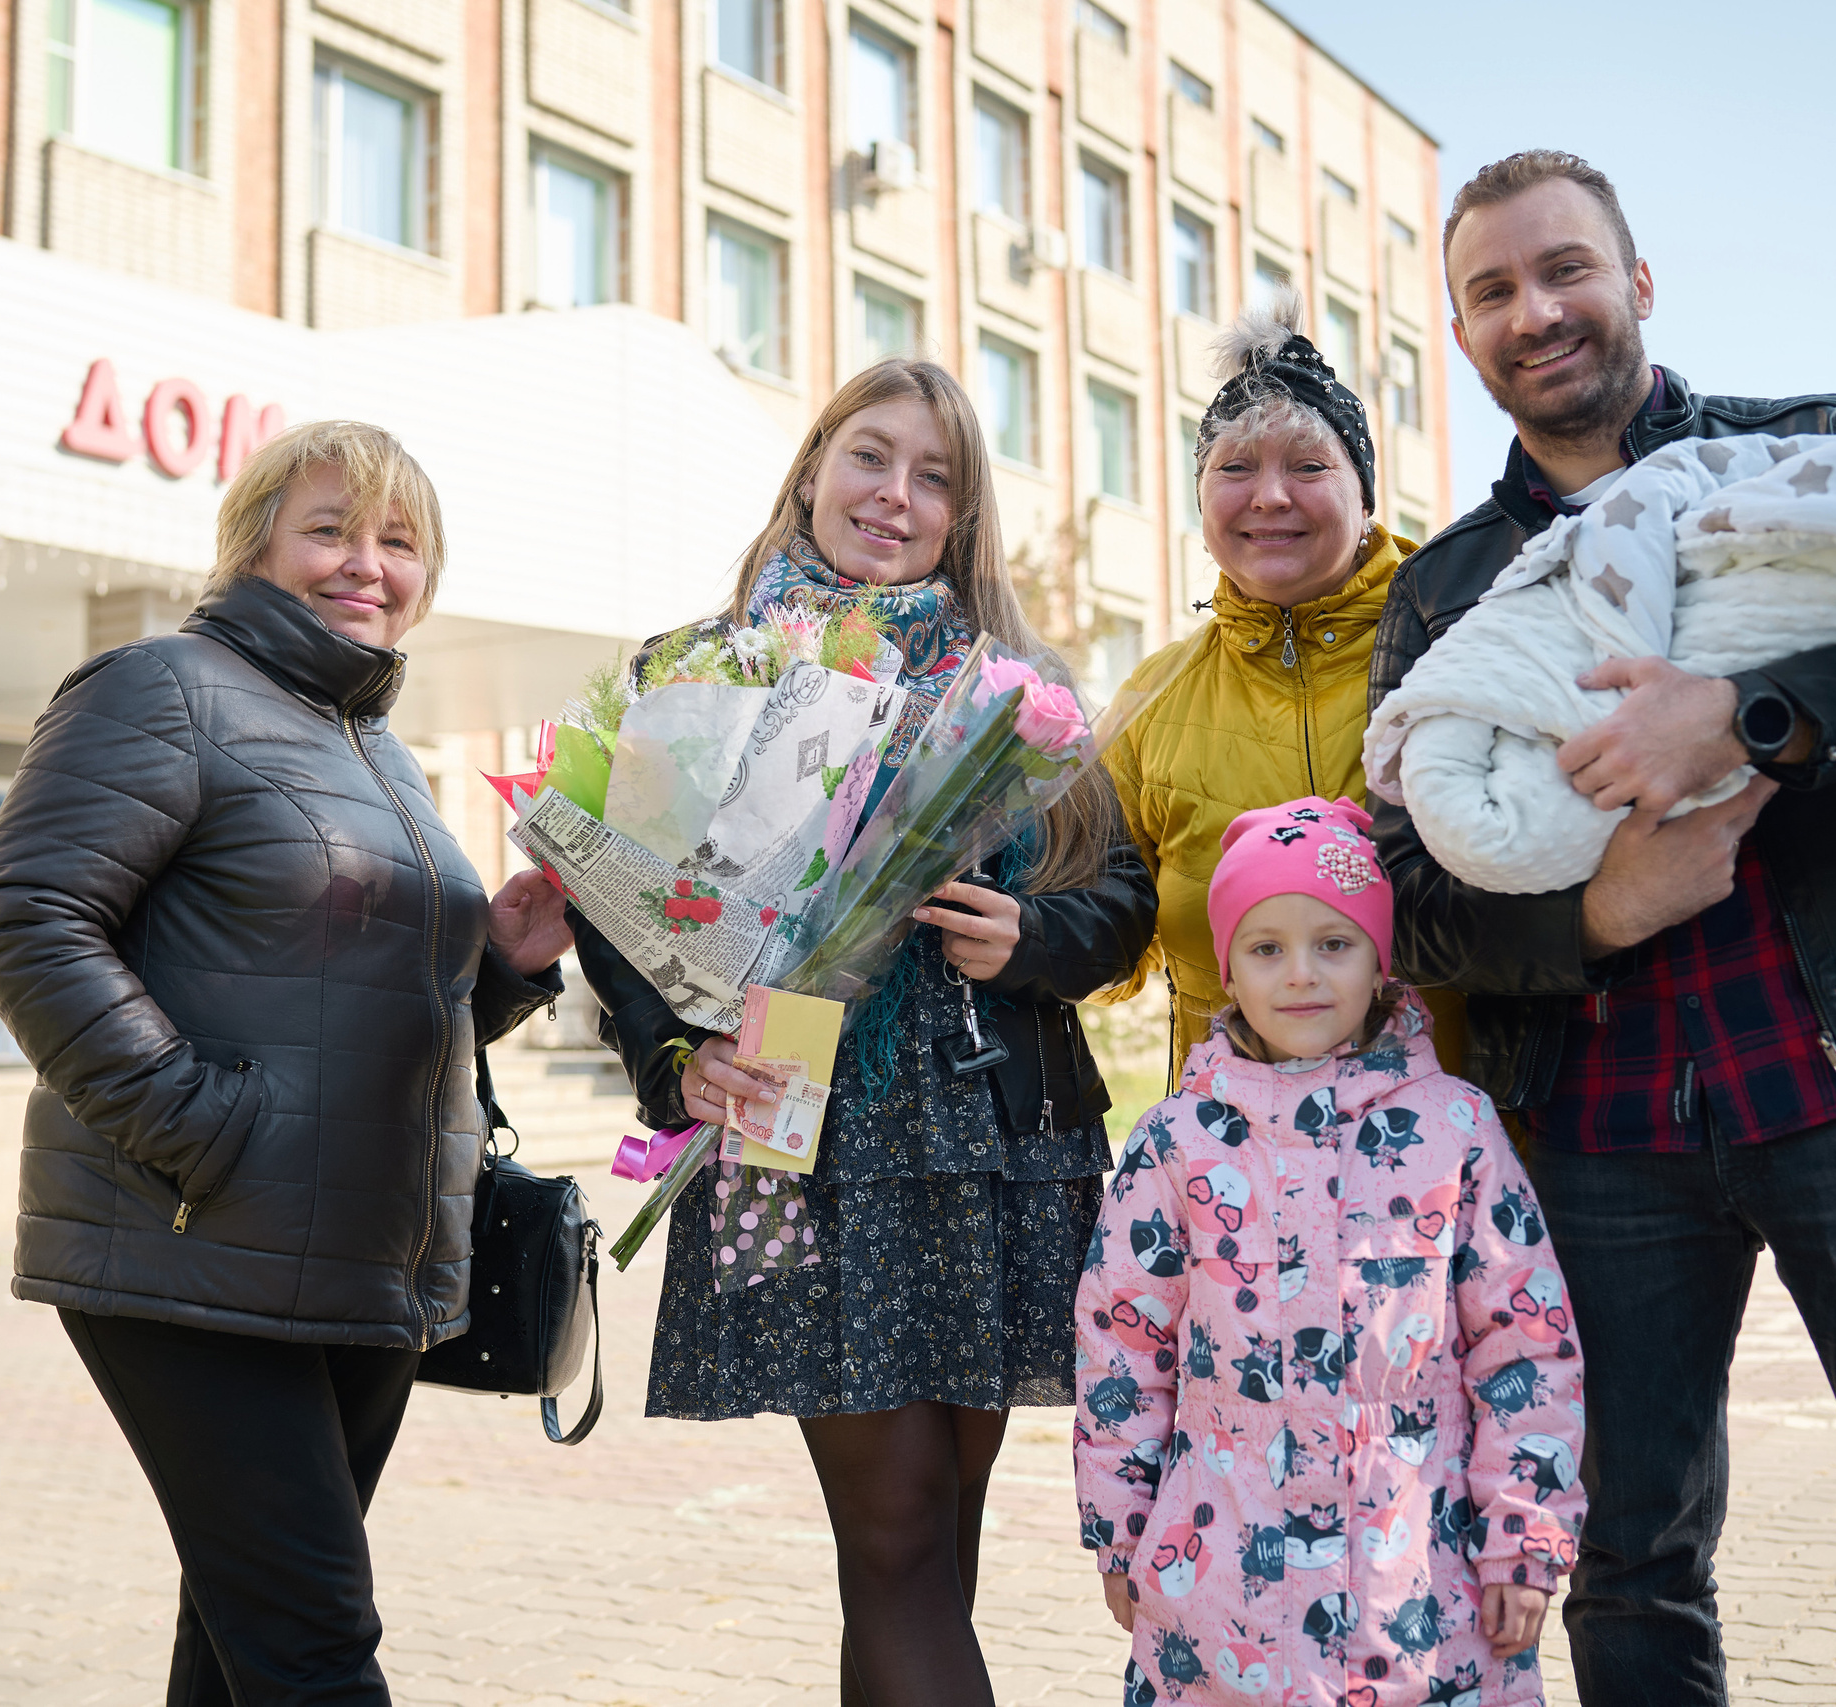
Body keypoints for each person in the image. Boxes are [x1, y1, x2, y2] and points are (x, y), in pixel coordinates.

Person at [1370, 150, 1836, 1703]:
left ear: (1639, 284)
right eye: (1493, 291)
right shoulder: (1447, 591)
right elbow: (1416, 904)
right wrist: (1595, 909)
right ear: (1462, 335)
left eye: (1566, 268)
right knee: (1627, 1565)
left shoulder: (1820, 449)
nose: (1538, 310)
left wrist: (1752, 717)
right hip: (1597, 1132)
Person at [569, 358, 1157, 1707]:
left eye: (935, 474)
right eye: (872, 456)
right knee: (893, 1535)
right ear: (814, 466)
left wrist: (1033, 940)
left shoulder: (1023, 689)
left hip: (997, 1146)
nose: (898, 494)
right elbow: (619, 915)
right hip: (801, 1135)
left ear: (963, 512)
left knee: (931, 1539)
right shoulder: (698, 670)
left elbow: (1120, 900)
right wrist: (675, 1056)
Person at [0, 420, 574, 1706]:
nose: (367, 564)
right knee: (314, 1651)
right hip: (197, 1243)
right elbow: (28, 914)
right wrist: (200, 1129)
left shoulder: (380, 754)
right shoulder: (159, 686)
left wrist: (505, 967)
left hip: (363, 1262)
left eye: (398, 542)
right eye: (331, 529)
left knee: (246, 1640)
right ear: (255, 544)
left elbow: (359, 999)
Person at [1075, 796, 1584, 1705]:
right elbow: (1123, 1346)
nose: (1301, 975)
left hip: (1423, 1590)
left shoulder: (1455, 1128)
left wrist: (1523, 1534)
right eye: (1267, 947)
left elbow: (1524, 1342)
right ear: (1227, 968)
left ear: (1381, 961)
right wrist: (1123, 1530)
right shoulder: (1177, 1141)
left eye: (1334, 944)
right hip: (1222, 1592)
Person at [1102, 292, 1460, 1086]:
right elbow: (1102, 952)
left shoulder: (1459, 648)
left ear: (1364, 497)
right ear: (1201, 500)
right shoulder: (1151, 703)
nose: (1269, 496)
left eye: (1308, 466)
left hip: (1448, 1170)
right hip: (1228, 1172)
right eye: (1235, 468)